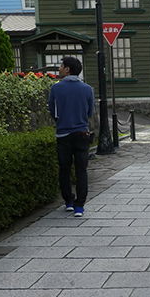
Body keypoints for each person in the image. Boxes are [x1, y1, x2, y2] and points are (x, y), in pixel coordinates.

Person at [48, 56, 95, 218]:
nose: (59, 69)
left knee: (64, 169)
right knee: (81, 170)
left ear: (67, 69)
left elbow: (53, 111)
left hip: (63, 134)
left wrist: (62, 121)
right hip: (82, 133)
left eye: (61, 66)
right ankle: (79, 207)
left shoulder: (56, 88)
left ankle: (68, 201)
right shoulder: (87, 89)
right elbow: (90, 112)